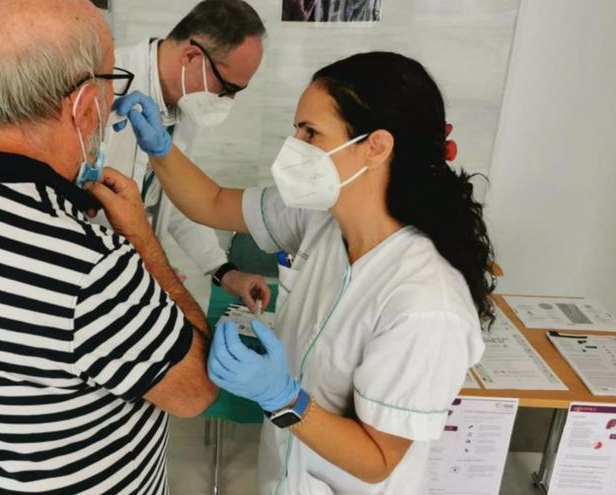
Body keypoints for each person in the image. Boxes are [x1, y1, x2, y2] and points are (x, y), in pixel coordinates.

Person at [111, 51, 494, 494]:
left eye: (310, 132)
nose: (294, 146)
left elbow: (378, 460)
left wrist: (284, 399)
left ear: (376, 147)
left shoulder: (426, 304)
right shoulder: (322, 219)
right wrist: (159, 147)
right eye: (296, 129)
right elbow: (212, 202)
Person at [0, 1, 217, 493]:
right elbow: (197, 389)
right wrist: (142, 244)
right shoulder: (90, 267)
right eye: (110, 84)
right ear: (83, 106)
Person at [101, 0, 272, 312]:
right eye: (227, 88)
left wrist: (223, 271)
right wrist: (131, 267)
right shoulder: (106, 82)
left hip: (133, 279)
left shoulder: (185, 103)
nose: (228, 101)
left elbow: (177, 198)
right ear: (192, 56)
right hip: (93, 277)